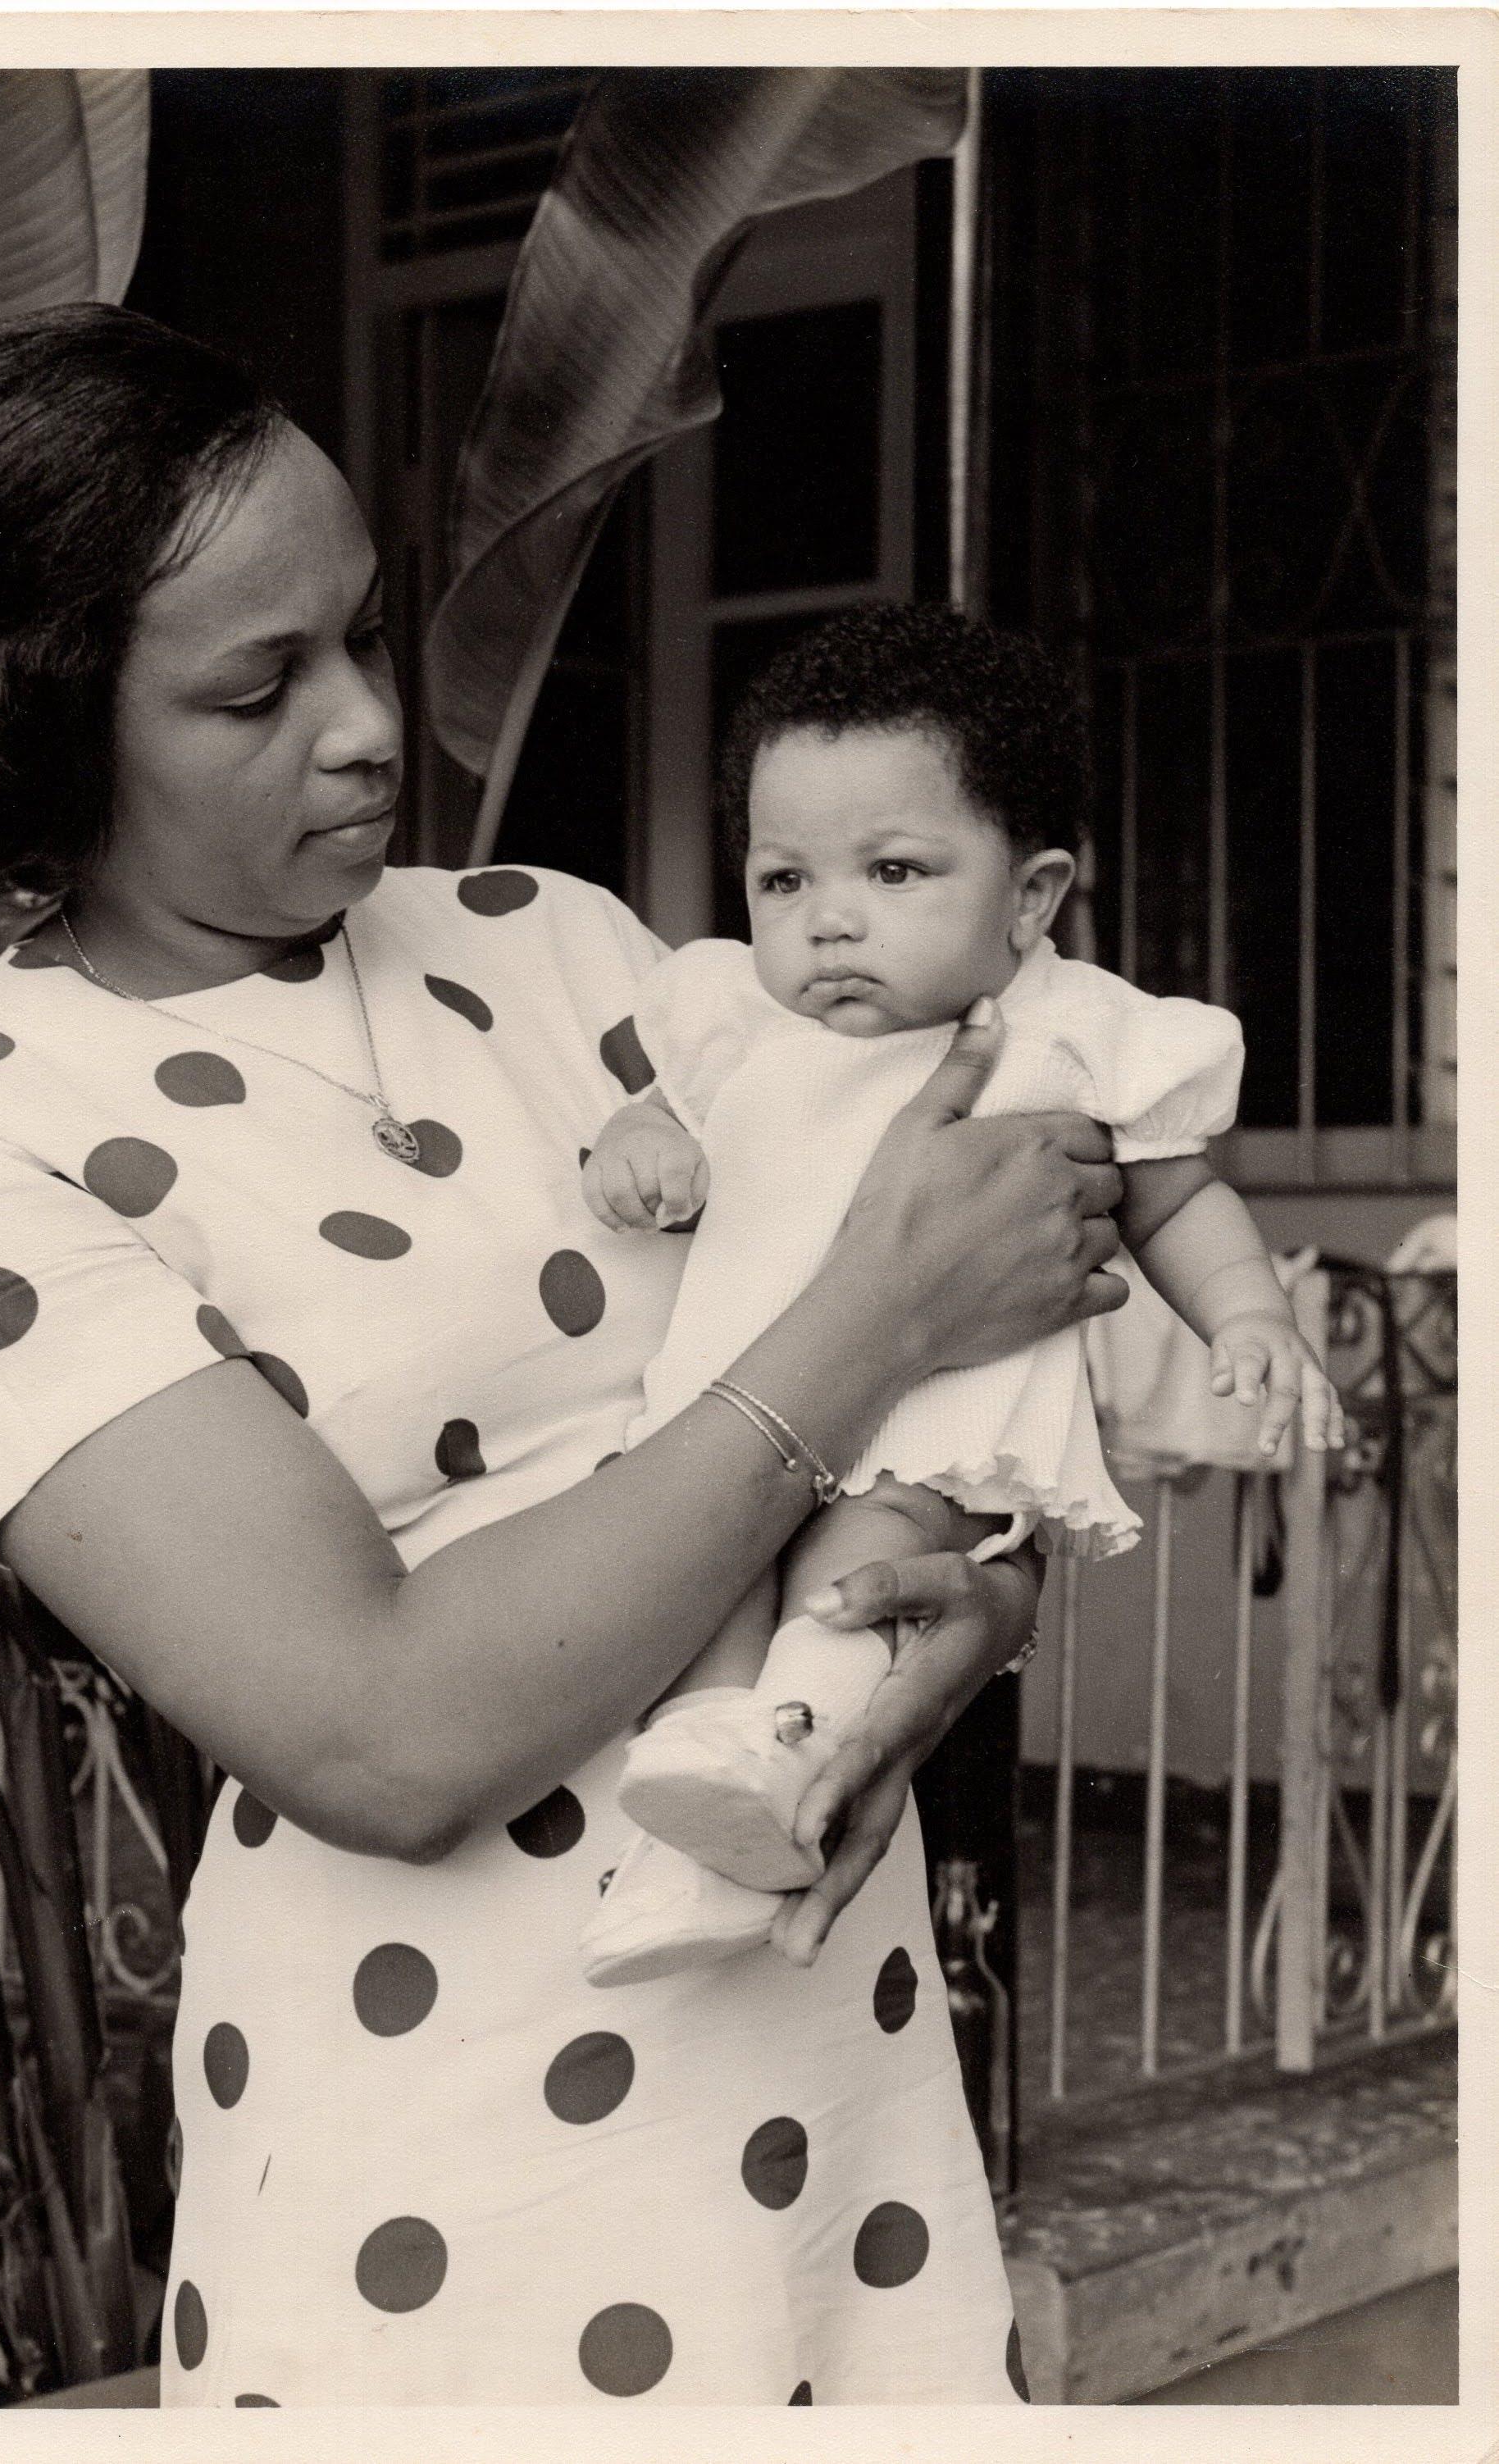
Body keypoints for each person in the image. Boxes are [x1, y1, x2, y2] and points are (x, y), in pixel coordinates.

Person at [0, 303, 1127, 2407]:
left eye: (362, 634)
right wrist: (867, 1313)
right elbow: (385, 1735)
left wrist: (975, 1607)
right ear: (42, 733)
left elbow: (960, 1368)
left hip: (829, 2062)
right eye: (258, 684)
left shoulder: (561, 941)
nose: (362, 725)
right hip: (452, 2127)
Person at [578, 608, 1341, 1984]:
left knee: (846, 1587)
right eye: (782, 880)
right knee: (706, 1590)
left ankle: (777, 1784)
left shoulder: (1075, 1034)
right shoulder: (736, 1018)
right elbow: (654, 1109)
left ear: (1032, 896)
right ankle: (695, 1825)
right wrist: (638, 1147)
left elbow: (1178, 1198)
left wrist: (1250, 1316)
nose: (831, 920)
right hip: (738, 1406)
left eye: (893, 869)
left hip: (933, 1426)